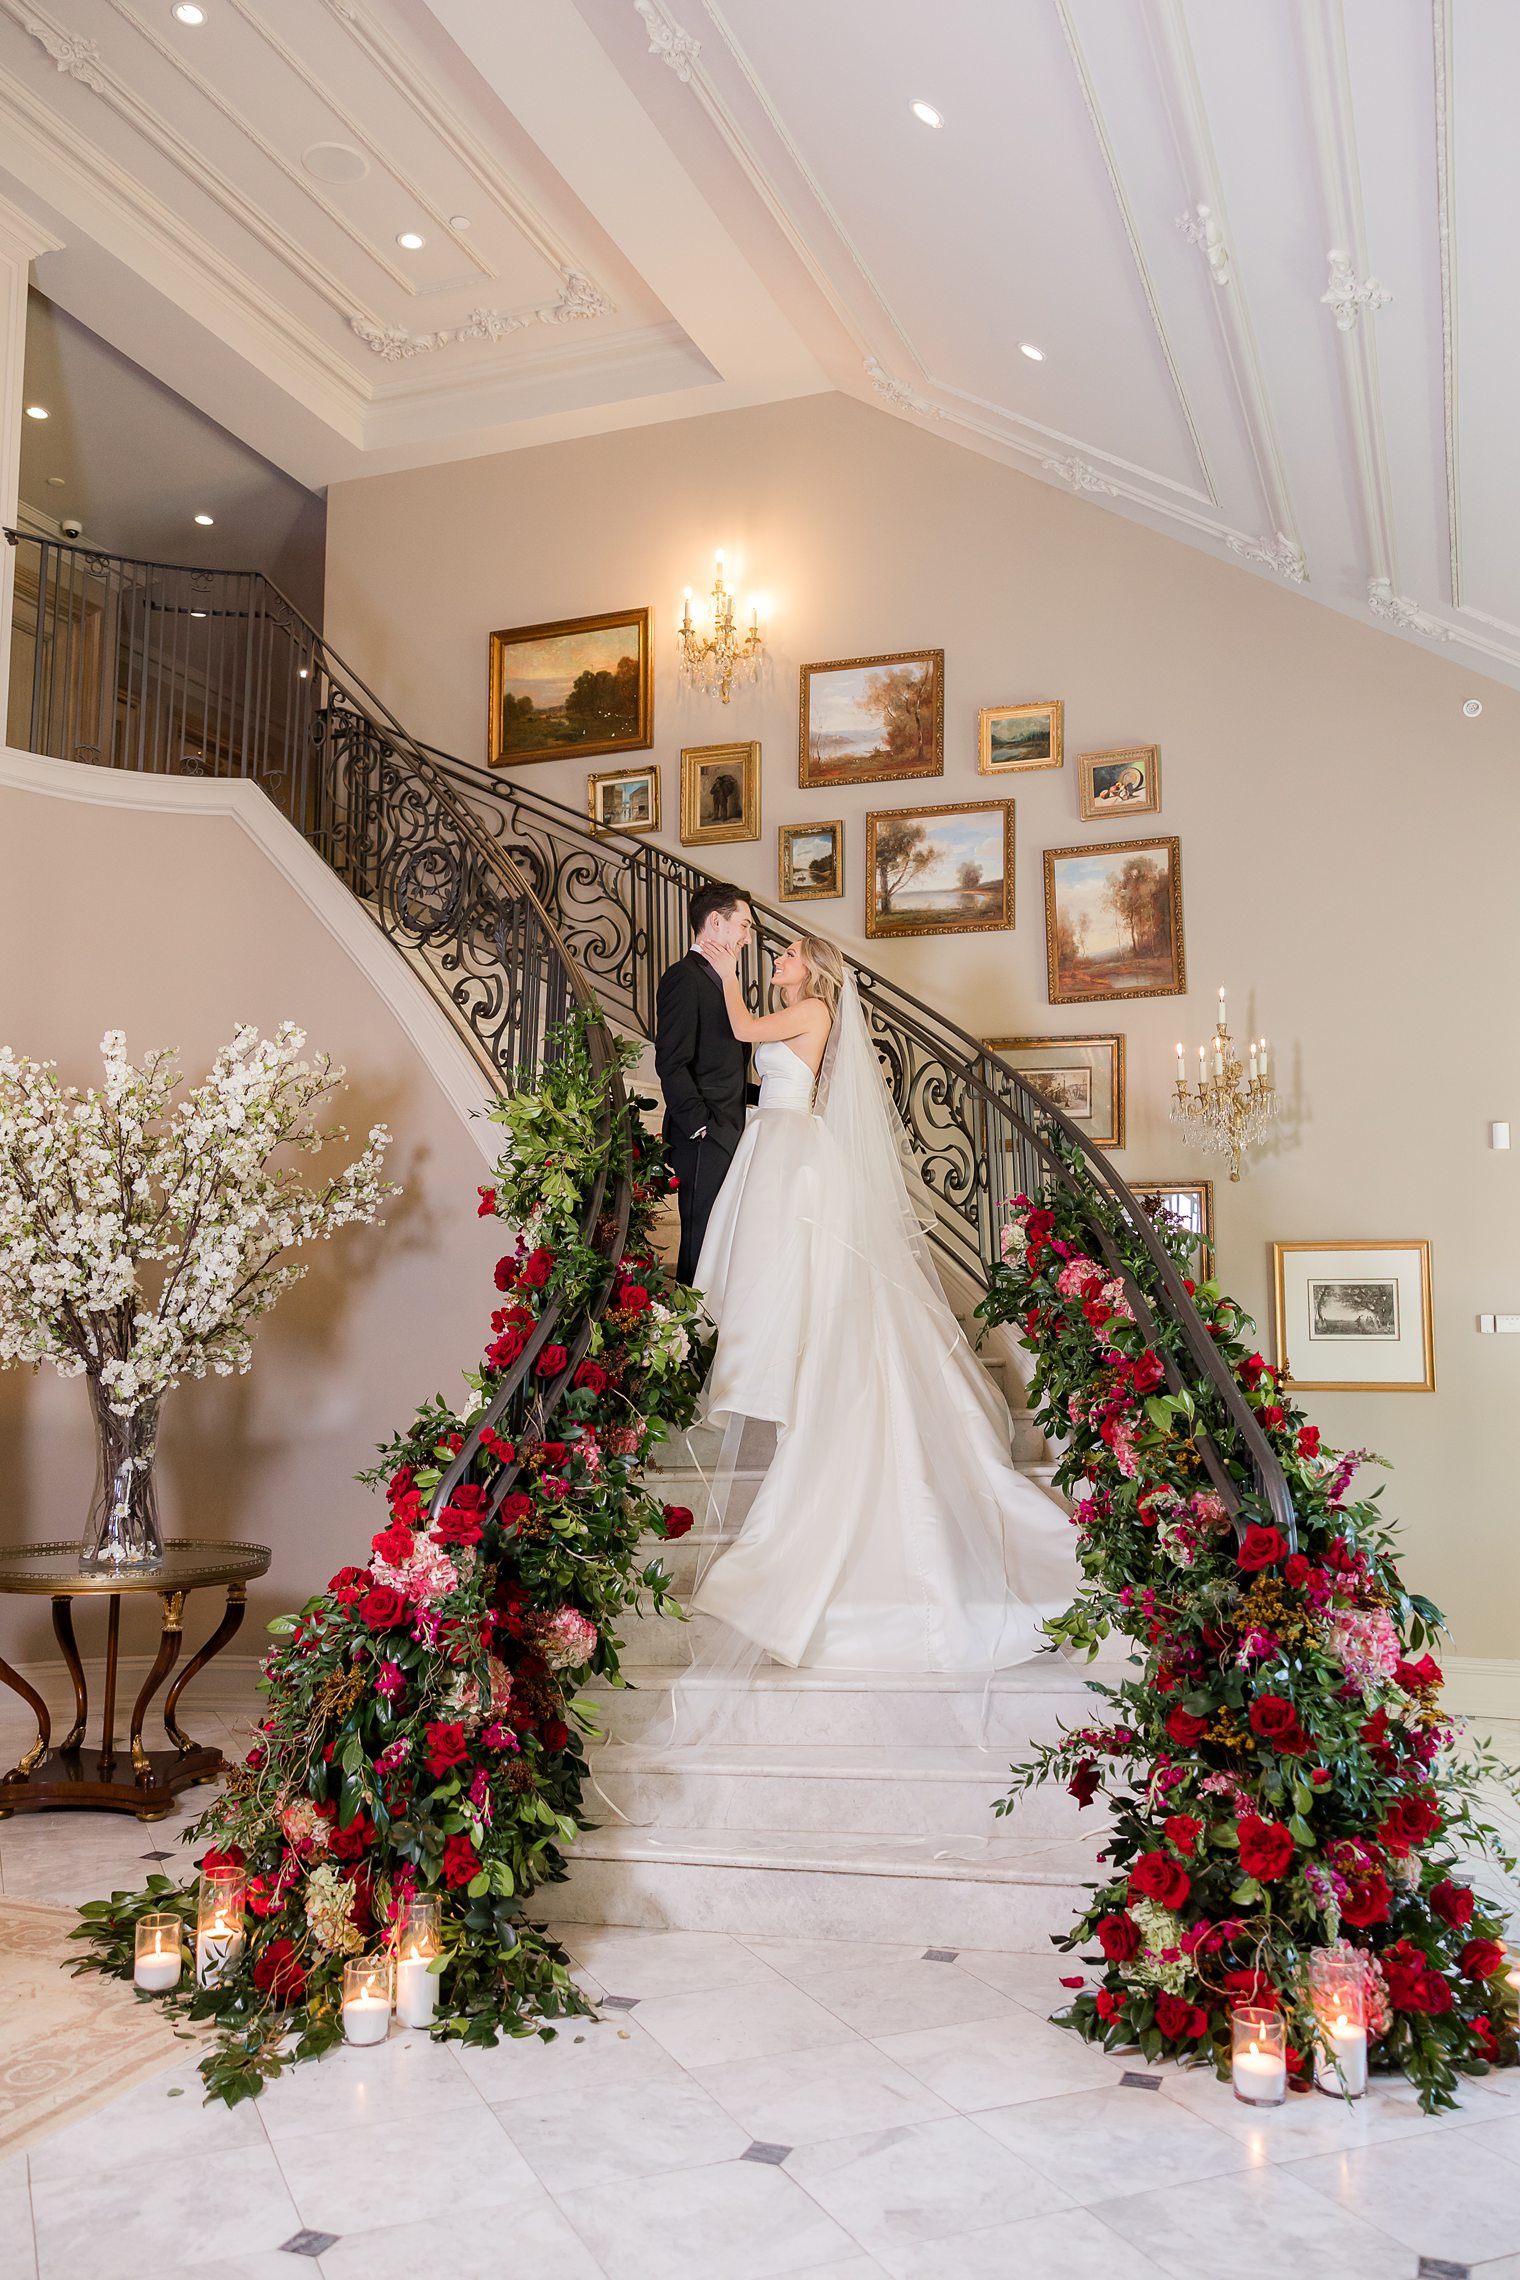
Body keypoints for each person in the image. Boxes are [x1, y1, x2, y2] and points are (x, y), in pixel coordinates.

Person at [687, 931, 1076, 1673]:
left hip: (793, 1154)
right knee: (784, 1281)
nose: (776, 962)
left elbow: (740, 1029)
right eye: (772, 956)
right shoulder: (803, 1015)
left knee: (819, 1289)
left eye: (785, 955)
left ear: (815, 970)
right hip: (776, 1148)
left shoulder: (817, 1012)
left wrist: (721, 964)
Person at [653, 883, 755, 1285]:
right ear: (716, 922)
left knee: (723, 1243)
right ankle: (691, 1339)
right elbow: (671, 1062)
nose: (747, 938)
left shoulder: (723, 980)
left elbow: (721, 1067)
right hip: (702, 1137)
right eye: (743, 926)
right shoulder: (684, 978)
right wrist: (701, 1126)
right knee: (699, 1242)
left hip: (728, 1130)